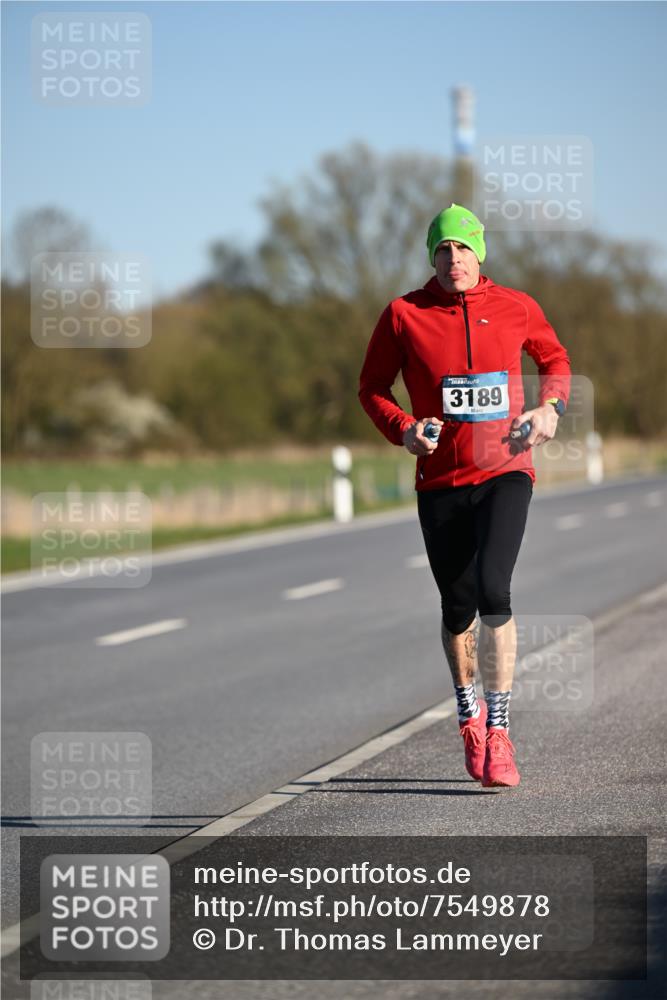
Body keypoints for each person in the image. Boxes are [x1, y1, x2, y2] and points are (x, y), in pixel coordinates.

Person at [359, 204, 571, 787]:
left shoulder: (516, 306)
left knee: (493, 590)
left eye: (463, 248)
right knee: (458, 608)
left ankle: (500, 733)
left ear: (481, 252)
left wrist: (549, 408)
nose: (453, 259)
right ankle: (468, 714)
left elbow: (554, 359)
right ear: (432, 257)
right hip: (442, 479)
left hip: (506, 467)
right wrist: (403, 428)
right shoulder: (404, 314)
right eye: (442, 250)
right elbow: (371, 387)